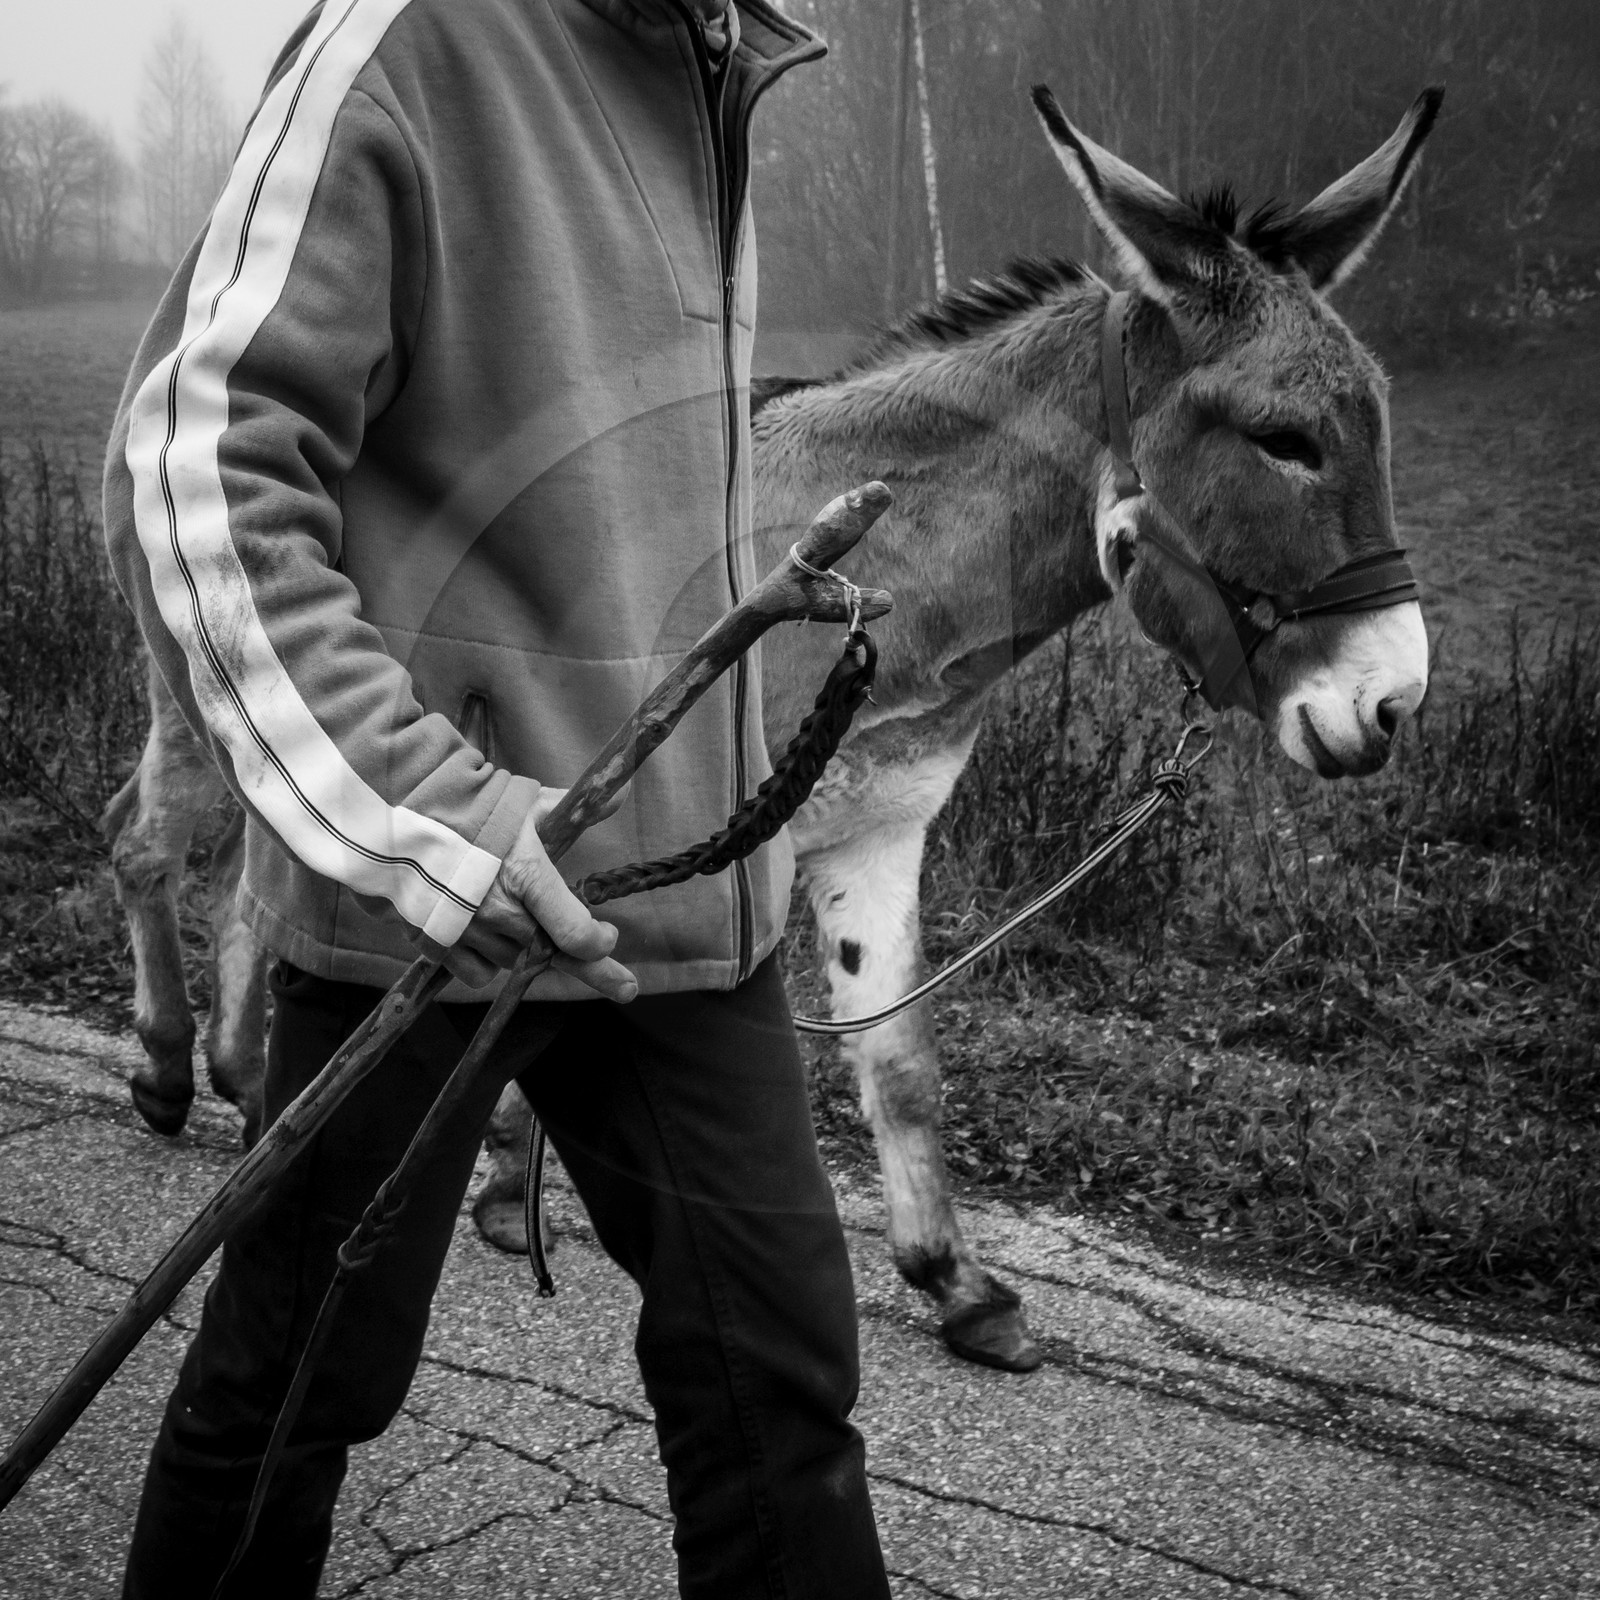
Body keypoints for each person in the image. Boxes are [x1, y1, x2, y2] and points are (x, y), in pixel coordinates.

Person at [101, 1, 891, 1595]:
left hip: (682, 895)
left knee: (782, 1388)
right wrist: (432, 808)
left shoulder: (716, 61)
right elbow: (199, 461)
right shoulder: (407, 44)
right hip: (433, 892)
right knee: (297, 1381)